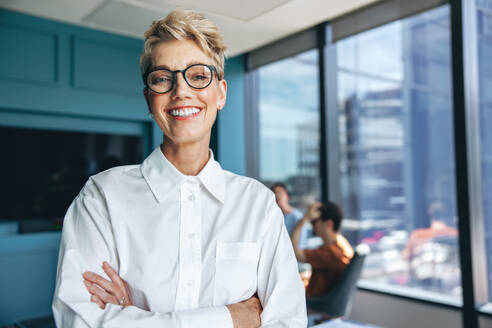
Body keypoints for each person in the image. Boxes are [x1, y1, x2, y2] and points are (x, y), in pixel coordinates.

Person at [52, 9, 306, 328]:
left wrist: (136, 317)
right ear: (149, 98)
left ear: (221, 93)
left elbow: (288, 322)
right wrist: (231, 317)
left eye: (198, 76)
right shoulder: (101, 197)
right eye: (162, 78)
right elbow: (78, 321)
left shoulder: (257, 204)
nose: (181, 91)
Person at [291, 201, 354, 298]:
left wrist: (304, 219)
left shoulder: (331, 252)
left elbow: (296, 253)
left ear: (329, 224)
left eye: (315, 222)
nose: (313, 226)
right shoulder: (342, 243)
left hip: (313, 300)